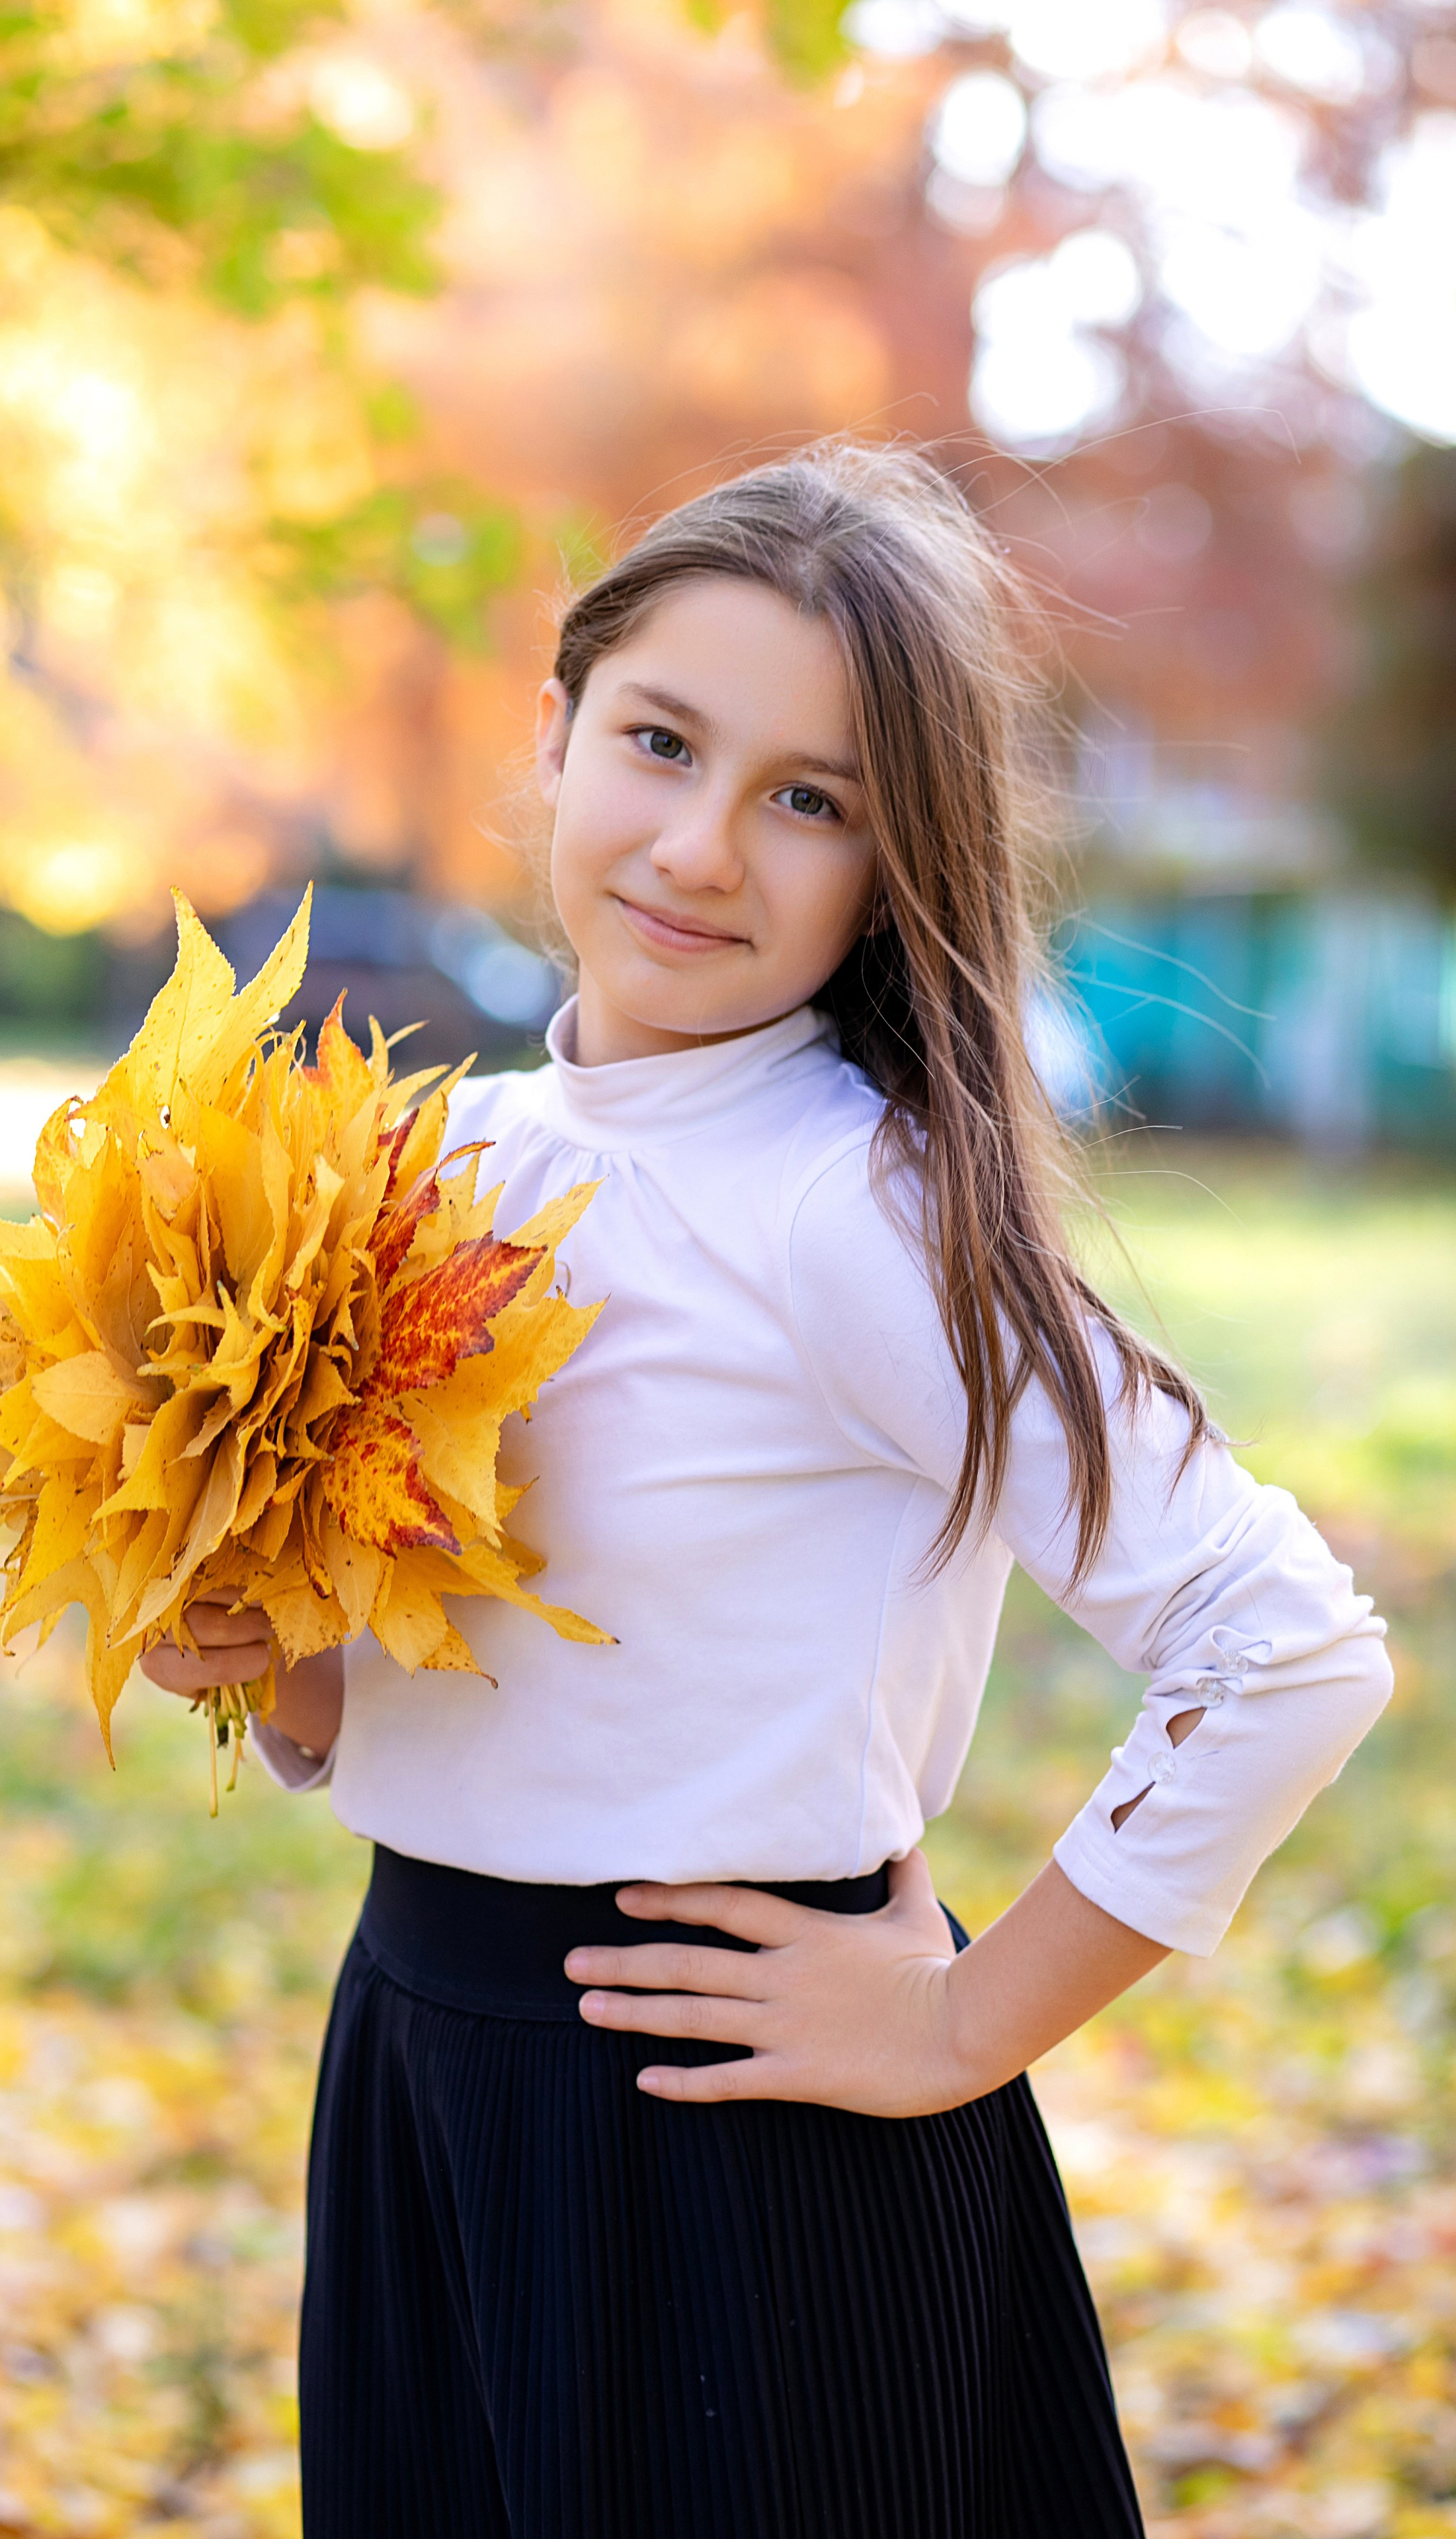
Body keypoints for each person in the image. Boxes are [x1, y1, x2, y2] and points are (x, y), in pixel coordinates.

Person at [141, 442, 1392, 2539]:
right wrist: (273, 1668)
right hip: (429, 2068)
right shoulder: (434, 1160)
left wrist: (966, 2024)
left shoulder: (855, 1209)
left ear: (894, 873)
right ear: (551, 740)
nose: (703, 846)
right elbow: (430, 1702)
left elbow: (1286, 1652)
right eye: (660, 742)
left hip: (736, 2121)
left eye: (811, 800)